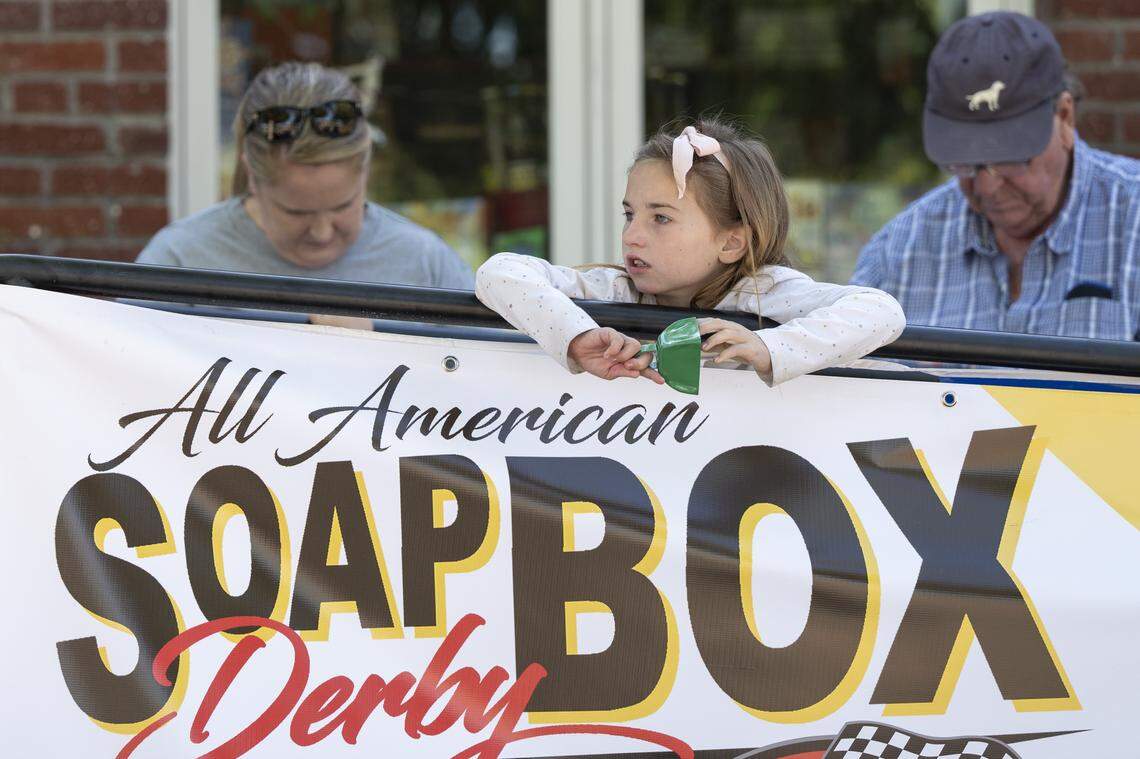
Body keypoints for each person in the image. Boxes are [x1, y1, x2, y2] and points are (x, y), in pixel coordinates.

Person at [475, 119, 905, 387]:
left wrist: (766, 346)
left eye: (660, 218)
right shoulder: (614, 290)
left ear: (732, 241)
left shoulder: (765, 292)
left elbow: (881, 312)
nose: (631, 237)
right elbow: (499, 272)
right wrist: (578, 336)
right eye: (630, 214)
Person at [852, 12, 1140, 340]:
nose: (987, 186)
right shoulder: (897, 254)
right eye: (964, 163)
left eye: (1011, 158)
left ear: (1064, 116)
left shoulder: (1133, 222)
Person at [137, 61, 473, 293]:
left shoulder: (424, 264)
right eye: (296, 212)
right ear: (252, 177)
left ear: (367, 170)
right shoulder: (180, 260)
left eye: (343, 206)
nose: (322, 233)